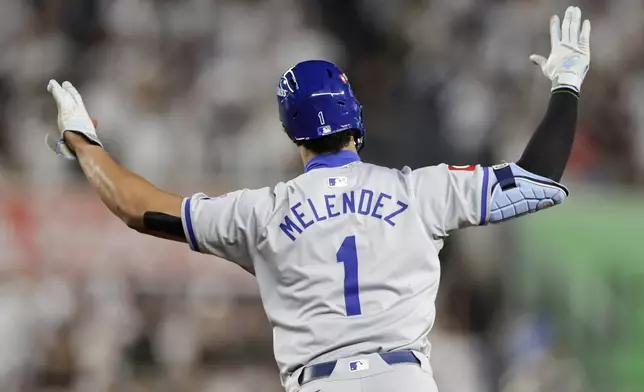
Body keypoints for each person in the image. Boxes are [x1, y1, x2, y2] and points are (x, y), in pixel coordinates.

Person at [45, 6, 590, 392]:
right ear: (355, 118)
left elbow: (138, 208)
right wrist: (566, 85)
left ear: (291, 133)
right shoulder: (420, 190)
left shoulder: (259, 213)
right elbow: (537, 180)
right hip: (405, 380)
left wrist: (84, 143)